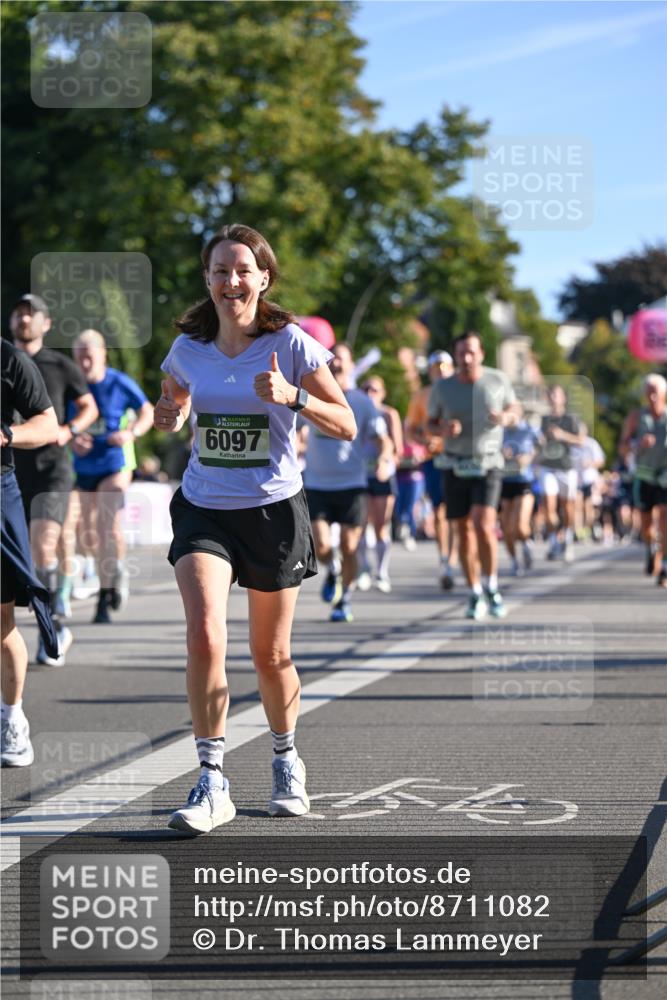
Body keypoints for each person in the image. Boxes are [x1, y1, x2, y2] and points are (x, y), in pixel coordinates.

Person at [155, 223, 355, 834]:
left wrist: (295, 397)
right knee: (205, 636)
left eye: (243, 270)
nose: (231, 280)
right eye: (220, 270)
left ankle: (285, 758)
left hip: (272, 511)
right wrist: (168, 414)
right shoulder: (187, 349)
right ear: (208, 280)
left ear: (263, 279)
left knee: (271, 654)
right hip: (205, 507)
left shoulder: (291, 344)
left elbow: (344, 424)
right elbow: (171, 412)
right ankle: (212, 779)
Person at [10, 294, 99, 664]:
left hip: (51, 471)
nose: (25, 318)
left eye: (32, 314)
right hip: (9, 473)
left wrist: (68, 429)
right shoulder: (4, 361)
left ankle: (55, 623)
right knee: (24, 558)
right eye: (19, 313)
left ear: (46, 324)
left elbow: (88, 406)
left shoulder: (60, 365)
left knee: (43, 545)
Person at [428, 332, 516, 620]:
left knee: (483, 524)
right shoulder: (442, 388)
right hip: (454, 464)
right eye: (461, 354)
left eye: (471, 353)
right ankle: (475, 591)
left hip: (488, 463)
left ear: (481, 355)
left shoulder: (497, 380)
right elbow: (429, 425)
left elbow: (515, 409)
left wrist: (506, 418)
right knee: (463, 532)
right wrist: (442, 430)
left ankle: (492, 585)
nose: (465, 359)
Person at [301, 342, 392, 622]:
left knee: (351, 547)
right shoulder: (309, 397)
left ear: (353, 366)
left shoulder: (362, 403)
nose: (337, 364)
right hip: (317, 483)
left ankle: (345, 599)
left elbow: (382, 439)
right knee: (321, 545)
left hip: (352, 485)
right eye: (332, 360)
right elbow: (292, 432)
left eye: (342, 360)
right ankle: (333, 570)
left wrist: (385, 460)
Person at [70, 330, 154, 623]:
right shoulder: (72, 384)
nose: (84, 361)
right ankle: (113, 567)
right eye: (79, 354)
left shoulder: (118, 382)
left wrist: (131, 433)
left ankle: (105, 596)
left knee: (107, 521)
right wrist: (72, 439)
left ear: (103, 353)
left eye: (89, 354)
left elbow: (148, 411)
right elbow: (57, 421)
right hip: (82, 467)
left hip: (114, 464)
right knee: (85, 532)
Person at [1, 339, 59, 766]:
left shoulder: (10, 359)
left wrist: (6, 434)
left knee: (1, 622)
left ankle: (12, 717)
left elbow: (48, 425)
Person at [406, 350, 458, 589]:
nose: (441, 371)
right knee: (439, 511)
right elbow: (411, 429)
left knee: (457, 513)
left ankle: (456, 555)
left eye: (445, 367)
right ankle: (444, 559)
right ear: (430, 371)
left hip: (457, 456)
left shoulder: (461, 393)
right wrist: (423, 440)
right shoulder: (421, 396)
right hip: (433, 459)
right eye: (436, 368)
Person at [357, 375, 403, 593]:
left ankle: (382, 572)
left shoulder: (388, 414)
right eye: (365, 389)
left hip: (382, 475)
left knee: (380, 526)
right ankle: (364, 568)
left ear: (382, 393)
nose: (369, 394)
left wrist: (384, 461)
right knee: (360, 525)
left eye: (374, 390)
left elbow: (398, 448)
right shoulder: (355, 412)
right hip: (360, 475)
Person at [620, 374, 667, 586]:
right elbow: (622, 447)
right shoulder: (636, 417)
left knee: (666, 521)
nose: (652, 395)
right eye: (649, 391)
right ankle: (651, 549)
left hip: (665, 476)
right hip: (644, 476)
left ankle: (665, 566)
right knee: (647, 527)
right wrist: (638, 444)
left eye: (656, 390)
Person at [537, 384, 586, 563]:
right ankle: (553, 542)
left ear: (563, 398)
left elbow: (581, 440)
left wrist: (563, 435)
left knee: (568, 507)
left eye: (556, 395)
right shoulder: (543, 420)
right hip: (547, 467)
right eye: (551, 395)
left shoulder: (571, 419)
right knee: (548, 506)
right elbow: (538, 442)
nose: (553, 398)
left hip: (567, 467)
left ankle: (567, 538)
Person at [500, 402, 538, 576]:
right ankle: (515, 560)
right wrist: (501, 454)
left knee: (520, 525)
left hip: (524, 480)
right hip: (505, 481)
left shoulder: (530, 430)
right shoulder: (500, 432)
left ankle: (526, 542)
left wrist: (528, 458)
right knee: (507, 528)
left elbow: (541, 450)